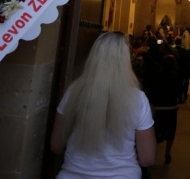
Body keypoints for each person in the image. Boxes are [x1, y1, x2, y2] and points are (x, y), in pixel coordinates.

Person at [50, 31, 156, 178]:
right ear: (124, 60)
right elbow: (147, 158)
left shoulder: (74, 92)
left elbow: (56, 145)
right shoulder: (138, 99)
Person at [147, 53, 180, 164]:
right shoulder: (176, 76)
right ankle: (167, 152)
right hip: (171, 107)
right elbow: (178, 92)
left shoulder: (157, 75)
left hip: (159, 107)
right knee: (170, 132)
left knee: (156, 132)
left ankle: (153, 153)